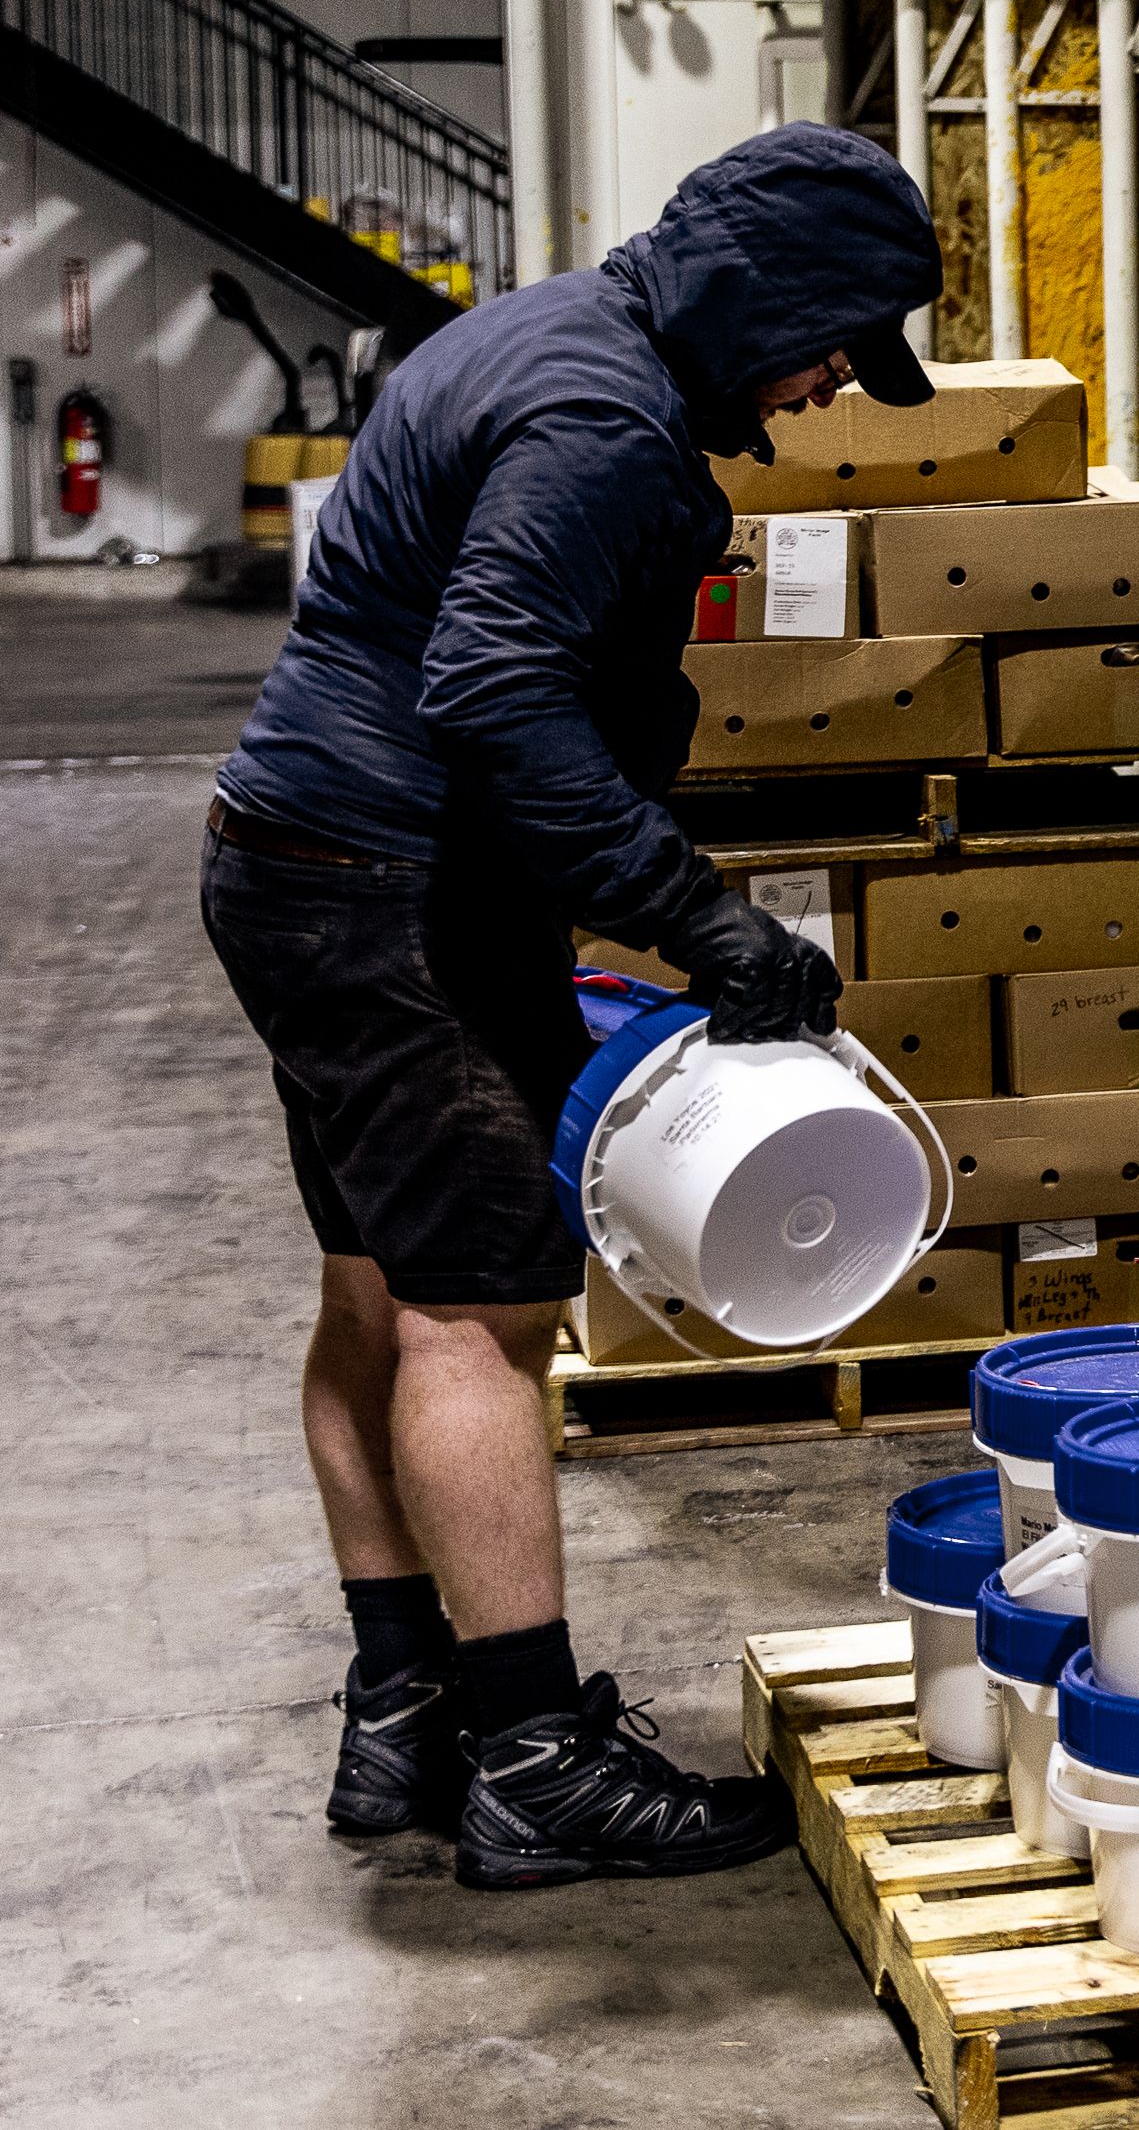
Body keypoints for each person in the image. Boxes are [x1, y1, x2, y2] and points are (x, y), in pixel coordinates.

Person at [201, 125, 943, 1890]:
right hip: (397, 888)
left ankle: (410, 1715)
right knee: (481, 1322)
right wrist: (699, 921)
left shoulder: (536, 331)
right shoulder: (606, 422)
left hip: (296, 858)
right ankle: (532, 1759)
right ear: (752, 291)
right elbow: (494, 689)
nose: (833, 377)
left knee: (377, 1292)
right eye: (829, 336)